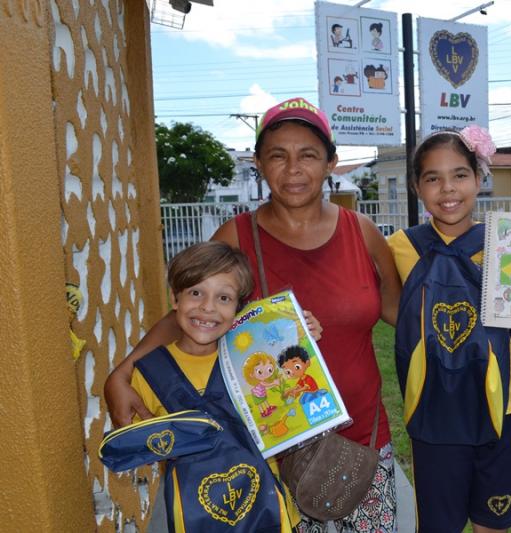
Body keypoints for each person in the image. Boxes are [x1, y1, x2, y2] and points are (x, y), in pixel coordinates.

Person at [104, 96, 402, 533]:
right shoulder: (237, 235)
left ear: (331, 163)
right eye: (277, 156)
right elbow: (192, 312)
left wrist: (496, 336)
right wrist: (122, 372)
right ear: (259, 164)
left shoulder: (364, 233)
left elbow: (403, 311)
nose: (293, 168)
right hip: (266, 449)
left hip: (362, 440)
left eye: (308, 155)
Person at [387, 125, 511, 533]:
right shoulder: (401, 247)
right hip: (433, 409)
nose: (448, 189)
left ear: (479, 178)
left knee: (492, 523)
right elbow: (392, 311)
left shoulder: (508, 244)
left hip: (500, 406)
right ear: (416, 187)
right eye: (432, 178)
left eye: (459, 174)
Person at [128, 240, 292, 531]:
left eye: (224, 298)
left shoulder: (255, 360)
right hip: (194, 518)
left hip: (267, 511)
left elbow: (293, 401)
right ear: (175, 299)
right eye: (195, 293)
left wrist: (300, 336)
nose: (207, 307)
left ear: (238, 308)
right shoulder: (149, 375)